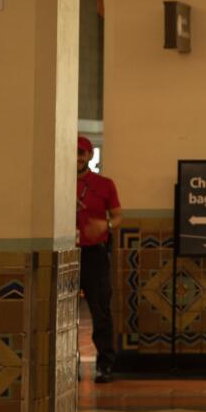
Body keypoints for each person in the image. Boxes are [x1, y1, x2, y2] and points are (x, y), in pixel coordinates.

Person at [75, 135, 120, 384]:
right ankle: (70, 363)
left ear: (90, 156)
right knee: (65, 313)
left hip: (95, 255)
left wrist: (106, 225)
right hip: (68, 255)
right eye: (74, 152)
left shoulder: (104, 184)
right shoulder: (59, 183)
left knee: (100, 309)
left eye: (82, 153)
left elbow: (118, 216)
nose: (77, 157)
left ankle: (105, 364)